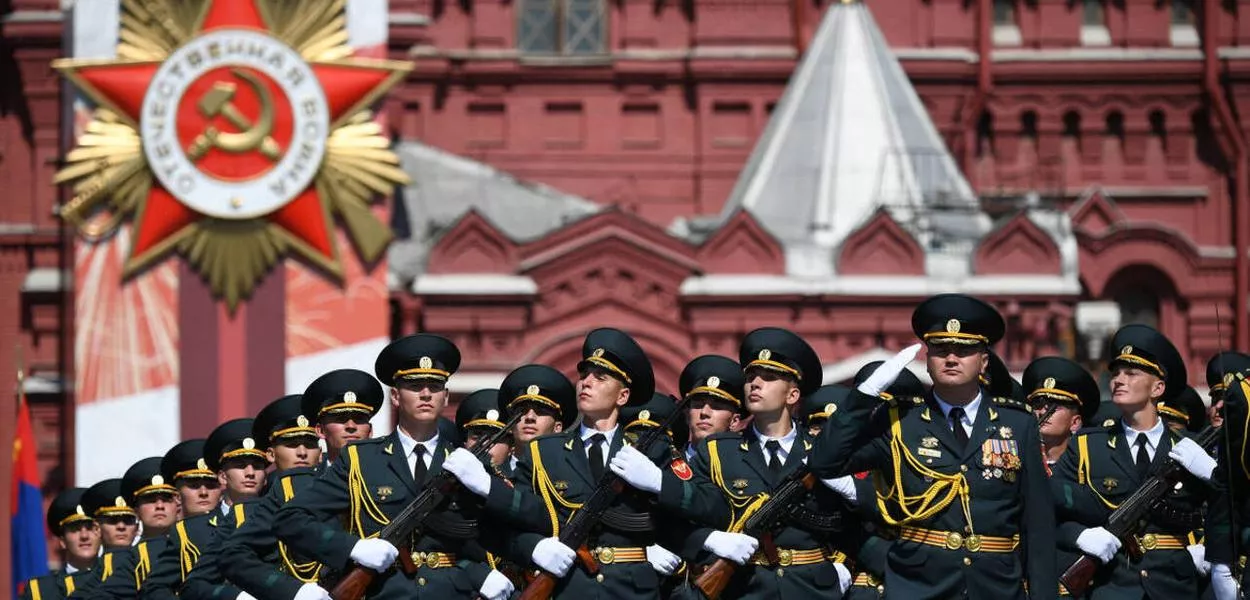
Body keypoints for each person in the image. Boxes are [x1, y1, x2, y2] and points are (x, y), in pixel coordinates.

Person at [810, 293, 1056, 599]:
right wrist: (863, 397)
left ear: (983, 361)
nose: (951, 358)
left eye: (964, 350)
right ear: (926, 361)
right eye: (940, 350)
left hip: (995, 587)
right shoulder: (899, 421)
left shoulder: (1018, 424)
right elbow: (825, 462)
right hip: (919, 586)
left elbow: (1038, 525)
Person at [446, 330, 694, 599]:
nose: (586, 383)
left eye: (599, 378)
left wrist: (660, 485)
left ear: (622, 396)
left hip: (633, 591)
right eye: (584, 375)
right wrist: (534, 547)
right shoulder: (544, 452)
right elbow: (510, 521)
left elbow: (702, 507)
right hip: (570, 588)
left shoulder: (651, 451)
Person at [274, 334, 513, 600]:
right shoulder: (361, 460)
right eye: (414, 386)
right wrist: (353, 548)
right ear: (396, 396)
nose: (425, 394)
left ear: (445, 397)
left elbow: (504, 527)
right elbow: (290, 519)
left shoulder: (465, 461)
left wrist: (482, 572)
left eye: (434, 386)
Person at [1051, 324, 1214, 598]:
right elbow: (1048, 507)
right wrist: (1078, 536)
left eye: (1132, 373)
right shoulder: (1087, 447)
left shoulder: (1189, 448)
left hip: (1173, 586)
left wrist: (1211, 547)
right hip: (1111, 586)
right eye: (1115, 373)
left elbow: (1226, 512)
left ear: (1158, 387)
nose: (1118, 380)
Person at [189, 394, 326, 600]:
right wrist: (239, 597)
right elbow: (195, 586)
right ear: (271, 455)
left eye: (309, 444)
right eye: (291, 444)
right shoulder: (245, 515)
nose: (301, 452)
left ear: (320, 453)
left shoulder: (346, 497)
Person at [142, 419, 269, 598]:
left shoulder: (280, 517)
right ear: (223, 477)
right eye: (240, 466)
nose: (250, 473)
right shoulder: (190, 530)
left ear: (265, 478)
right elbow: (155, 588)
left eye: (257, 467)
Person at [82, 457, 181, 599]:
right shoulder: (125, 560)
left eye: (166, 499)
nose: (159, 506)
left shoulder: (196, 543)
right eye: (150, 500)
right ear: (136, 511)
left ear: (177, 505)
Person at [20, 487, 100, 600]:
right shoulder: (40, 591)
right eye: (75, 529)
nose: (84, 536)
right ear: (62, 541)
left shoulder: (120, 581)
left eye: (91, 528)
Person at [67, 479, 140, 598]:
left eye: (128, 521)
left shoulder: (152, 566)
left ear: (137, 528)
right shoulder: (81, 580)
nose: (121, 526)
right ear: (96, 529)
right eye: (112, 521)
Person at [1024, 356, 1100, 468]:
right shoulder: (1021, 464)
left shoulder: (1086, 469)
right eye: (1038, 404)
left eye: (1053, 405)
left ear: (1075, 423)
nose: (1043, 411)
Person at [679, 355, 746, 461]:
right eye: (698, 405)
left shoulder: (745, 471)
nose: (704, 412)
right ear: (687, 414)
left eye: (716, 406)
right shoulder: (663, 468)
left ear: (734, 421)